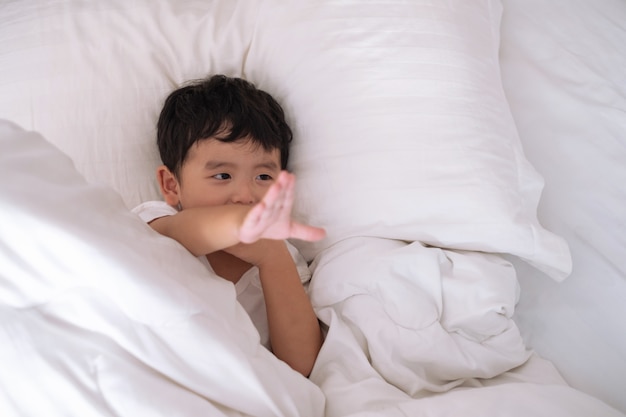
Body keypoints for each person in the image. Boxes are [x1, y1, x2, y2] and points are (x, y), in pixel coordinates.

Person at [133, 75, 326, 377]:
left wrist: (272, 256)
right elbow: (185, 232)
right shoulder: (157, 222)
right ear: (172, 186)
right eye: (222, 176)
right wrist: (239, 226)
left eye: (263, 177)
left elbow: (301, 366)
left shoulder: (281, 258)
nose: (245, 196)